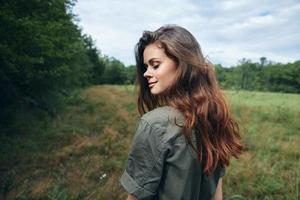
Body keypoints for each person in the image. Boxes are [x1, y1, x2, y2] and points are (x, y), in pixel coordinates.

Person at [120, 25, 243, 200]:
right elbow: (217, 194)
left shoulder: (156, 123)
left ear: (182, 64)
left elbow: (135, 198)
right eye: (146, 66)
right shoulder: (213, 117)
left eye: (155, 65)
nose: (146, 73)